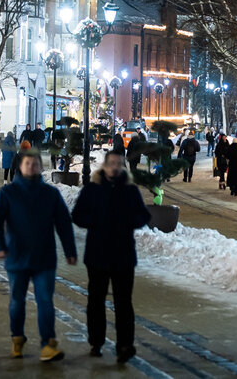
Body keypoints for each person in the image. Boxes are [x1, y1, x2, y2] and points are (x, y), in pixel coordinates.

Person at [0, 151, 78, 362]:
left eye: (35, 163)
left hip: (44, 257)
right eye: (27, 163)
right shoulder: (8, 193)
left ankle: (48, 344)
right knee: (17, 301)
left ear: (40, 166)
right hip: (17, 257)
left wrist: (70, 251)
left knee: (45, 300)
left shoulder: (51, 194)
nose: (31, 167)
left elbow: (63, 224)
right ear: (20, 166)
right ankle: (17, 339)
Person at [71, 151, 151, 363]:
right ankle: (95, 341)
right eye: (111, 163)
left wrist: (129, 222)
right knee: (96, 301)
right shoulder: (92, 189)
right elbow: (77, 214)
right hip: (97, 253)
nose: (115, 167)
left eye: (119, 164)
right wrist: (95, 221)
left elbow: (144, 215)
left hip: (123, 254)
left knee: (123, 302)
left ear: (123, 167)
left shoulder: (130, 190)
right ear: (104, 166)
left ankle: (125, 345)